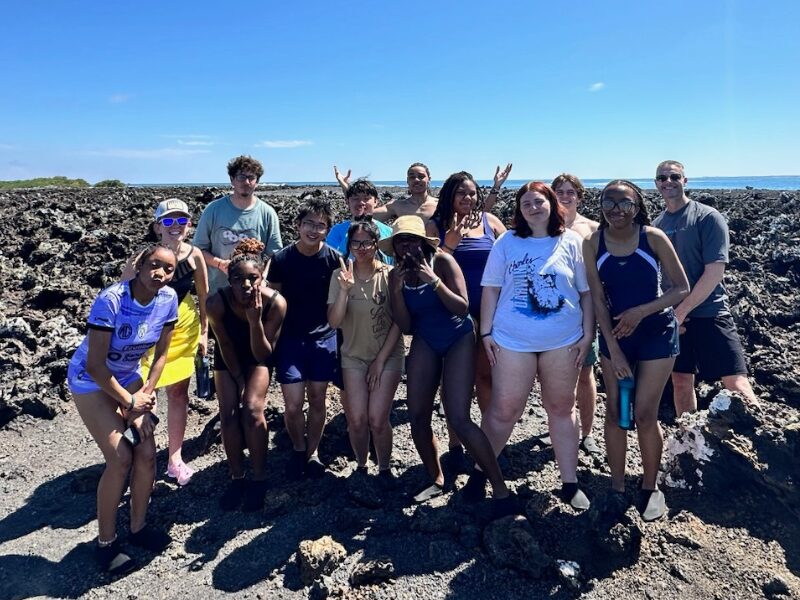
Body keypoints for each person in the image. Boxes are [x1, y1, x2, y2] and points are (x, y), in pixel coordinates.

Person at [384, 216, 514, 513]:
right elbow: (405, 326)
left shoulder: (443, 262)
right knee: (417, 415)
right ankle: (436, 477)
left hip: (458, 337)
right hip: (426, 338)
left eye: (412, 240)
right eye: (401, 241)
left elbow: (462, 307)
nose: (407, 246)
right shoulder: (396, 274)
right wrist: (396, 289)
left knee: (458, 417)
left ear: (422, 242)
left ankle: (499, 488)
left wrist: (433, 280)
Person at [480, 182, 594, 510]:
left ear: (552, 204)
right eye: (526, 202)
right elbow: (490, 289)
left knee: (561, 408)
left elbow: (586, 293)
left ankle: (570, 483)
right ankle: (480, 473)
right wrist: (486, 334)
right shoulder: (507, 242)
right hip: (512, 341)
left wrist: (587, 334)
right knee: (504, 410)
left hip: (563, 341)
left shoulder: (571, 242)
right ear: (519, 209)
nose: (533, 207)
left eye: (539, 201)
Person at [67, 243, 178, 574]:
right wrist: (130, 403)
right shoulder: (112, 300)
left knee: (146, 453)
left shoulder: (168, 300)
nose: (160, 273)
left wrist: (145, 397)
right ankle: (106, 542)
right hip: (91, 380)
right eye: (154, 265)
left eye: (168, 269)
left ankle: (139, 527)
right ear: (140, 265)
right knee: (120, 457)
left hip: (131, 378)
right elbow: (96, 365)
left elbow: (160, 357)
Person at [583, 180, 689, 520]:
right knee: (614, 412)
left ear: (637, 205)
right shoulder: (592, 242)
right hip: (616, 336)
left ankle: (649, 486)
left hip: (656, 333)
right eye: (608, 202)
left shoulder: (653, 237)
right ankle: (616, 487)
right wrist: (612, 348)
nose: (616, 209)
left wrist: (641, 311)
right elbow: (598, 300)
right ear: (600, 206)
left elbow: (681, 287)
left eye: (624, 202)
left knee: (645, 413)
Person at [652, 160, 758, 415]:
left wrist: (681, 312)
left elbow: (714, 273)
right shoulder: (657, 225)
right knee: (680, 381)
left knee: (736, 382)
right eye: (662, 178)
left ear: (685, 181)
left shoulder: (708, 217)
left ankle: (767, 443)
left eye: (674, 177)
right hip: (675, 318)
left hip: (710, 313)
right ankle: (688, 445)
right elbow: (658, 275)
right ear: (656, 184)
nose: (668, 182)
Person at [121, 198, 209, 486]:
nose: (176, 227)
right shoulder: (141, 258)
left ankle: (175, 457)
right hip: (147, 331)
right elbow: (123, 295)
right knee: (145, 395)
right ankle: (144, 456)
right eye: (169, 221)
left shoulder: (195, 255)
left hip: (184, 328)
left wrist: (205, 332)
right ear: (157, 226)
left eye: (181, 221)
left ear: (189, 225)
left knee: (179, 394)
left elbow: (203, 296)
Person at [208, 239, 286, 511]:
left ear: (262, 277)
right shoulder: (216, 303)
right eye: (238, 279)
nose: (246, 285)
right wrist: (239, 380)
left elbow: (264, 354)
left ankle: (259, 476)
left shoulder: (276, 303)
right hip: (228, 357)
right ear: (228, 279)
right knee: (229, 412)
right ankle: (236, 476)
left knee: (252, 409)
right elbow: (224, 345)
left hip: (258, 353)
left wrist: (255, 321)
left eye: (253, 278)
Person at [267, 198, 341, 478]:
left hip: (324, 338)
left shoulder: (335, 259)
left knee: (318, 398)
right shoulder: (282, 258)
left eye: (321, 225)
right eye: (308, 223)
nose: (313, 229)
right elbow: (272, 301)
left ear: (327, 230)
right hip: (290, 340)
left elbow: (338, 302)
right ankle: (299, 448)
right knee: (294, 404)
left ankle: (313, 452)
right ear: (297, 225)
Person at [327, 220, 404, 479]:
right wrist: (344, 292)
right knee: (357, 420)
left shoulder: (389, 274)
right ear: (349, 245)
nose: (361, 248)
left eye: (367, 243)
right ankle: (361, 466)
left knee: (377, 419)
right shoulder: (340, 277)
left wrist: (380, 361)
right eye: (355, 243)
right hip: (353, 356)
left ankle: (384, 468)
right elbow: (334, 322)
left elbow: (398, 322)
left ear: (376, 244)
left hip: (387, 356)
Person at [551, 173, 601, 456]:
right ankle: (559, 425)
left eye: (571, 192)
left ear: (580, 196)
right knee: (554, 377)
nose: (565, 196)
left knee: (584, 373)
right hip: (554, 312)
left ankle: (588, 432)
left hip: (584, 312)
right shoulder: (544, 226)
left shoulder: (591, 229)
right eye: (559, 191)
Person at [194, 155, 282, 296]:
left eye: (251, 177)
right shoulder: (213, 210)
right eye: (241, 177)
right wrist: (220, 264)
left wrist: (264, 278)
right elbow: (198, 249)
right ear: (232, 179)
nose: (246, 182)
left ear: (257, 182)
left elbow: (275, 255)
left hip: (253, 292)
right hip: (219, 292)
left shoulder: (268, 213)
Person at [334, 163, 513, 222]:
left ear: (429, 179)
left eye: (421, 176)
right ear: (407, 182)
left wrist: (496, 187)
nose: (416, 179)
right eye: (412, 176)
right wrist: (346, 188)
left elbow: (478, 215)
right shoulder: (397, 206)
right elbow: (363, 213)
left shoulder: (441, 203)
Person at [325, 178, 394, 263]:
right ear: (347, 202)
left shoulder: (389, 232)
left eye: (366, 198)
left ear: (376, 201)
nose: (361, 202)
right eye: (355, 198)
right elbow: (330, 261)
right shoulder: (337, 231)